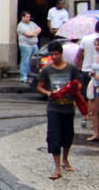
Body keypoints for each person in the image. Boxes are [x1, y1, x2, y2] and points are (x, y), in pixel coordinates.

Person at [36, 40, 84, 180]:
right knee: (54, 136)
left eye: (56, 54)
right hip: (53, 107)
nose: (54, 57)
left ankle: (65, 159)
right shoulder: (47, 70)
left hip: (68, 107)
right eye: (51, 54)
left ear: (61, 53)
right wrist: (49, 93)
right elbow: (39, 87)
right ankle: (57, 167)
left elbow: (78, 84)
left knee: (67, 135)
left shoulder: (71, 68)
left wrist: (73, 88)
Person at [75, 20, 99, 139]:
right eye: (96, 45)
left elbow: (79, 55)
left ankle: (86, 117)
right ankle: (92, 122)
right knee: (91, 99)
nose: (97, 47)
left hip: (87, 70)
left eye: (98, 45)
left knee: (85, 95)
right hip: (92, 77)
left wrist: (77, 66)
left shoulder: (85, 38)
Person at [15, 11, 41, 84]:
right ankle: (24, 76)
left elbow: (39, 29)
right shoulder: (20, 26)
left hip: (34, 45)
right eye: (27, 17)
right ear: (23, 17)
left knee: (34, 61)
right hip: (25, 45)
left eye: (29, 17)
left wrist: (33, 33)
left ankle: (33, 75)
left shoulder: (32, 23)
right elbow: (28, 34)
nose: (29, 18)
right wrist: (34, 33)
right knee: (25, 61)